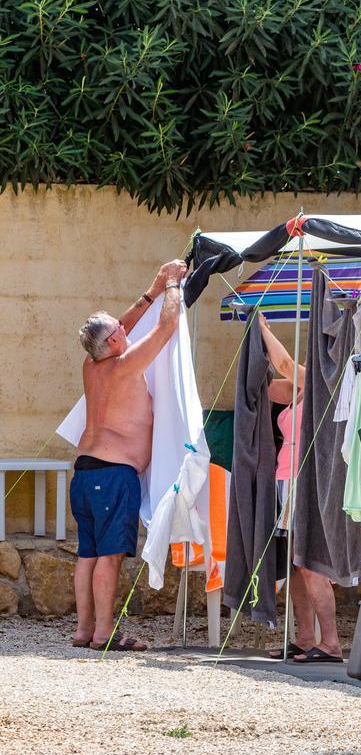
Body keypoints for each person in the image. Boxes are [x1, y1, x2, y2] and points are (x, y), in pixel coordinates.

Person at [71, 259, 188, 651]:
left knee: (87, 553)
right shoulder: (124, 364)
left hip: (84, 473)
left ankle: (84, 630)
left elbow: (116, 330)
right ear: (116, 342)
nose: (125, 328)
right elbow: (165, 327)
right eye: (120, 331)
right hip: (113, 475)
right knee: (109, 556)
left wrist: (151, 291)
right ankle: (105, 633)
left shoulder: (93, 364)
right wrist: (172, 285)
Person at [258, 313, 344, 663]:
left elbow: (284, 363)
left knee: (310, 564)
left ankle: (332, 643)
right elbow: (267, 385)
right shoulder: (300, 389)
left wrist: (261, 328)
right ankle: (306, 637)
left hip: (303, 481)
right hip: (285, 480)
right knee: (295, 564)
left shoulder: (324, 382)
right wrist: (256, 348)